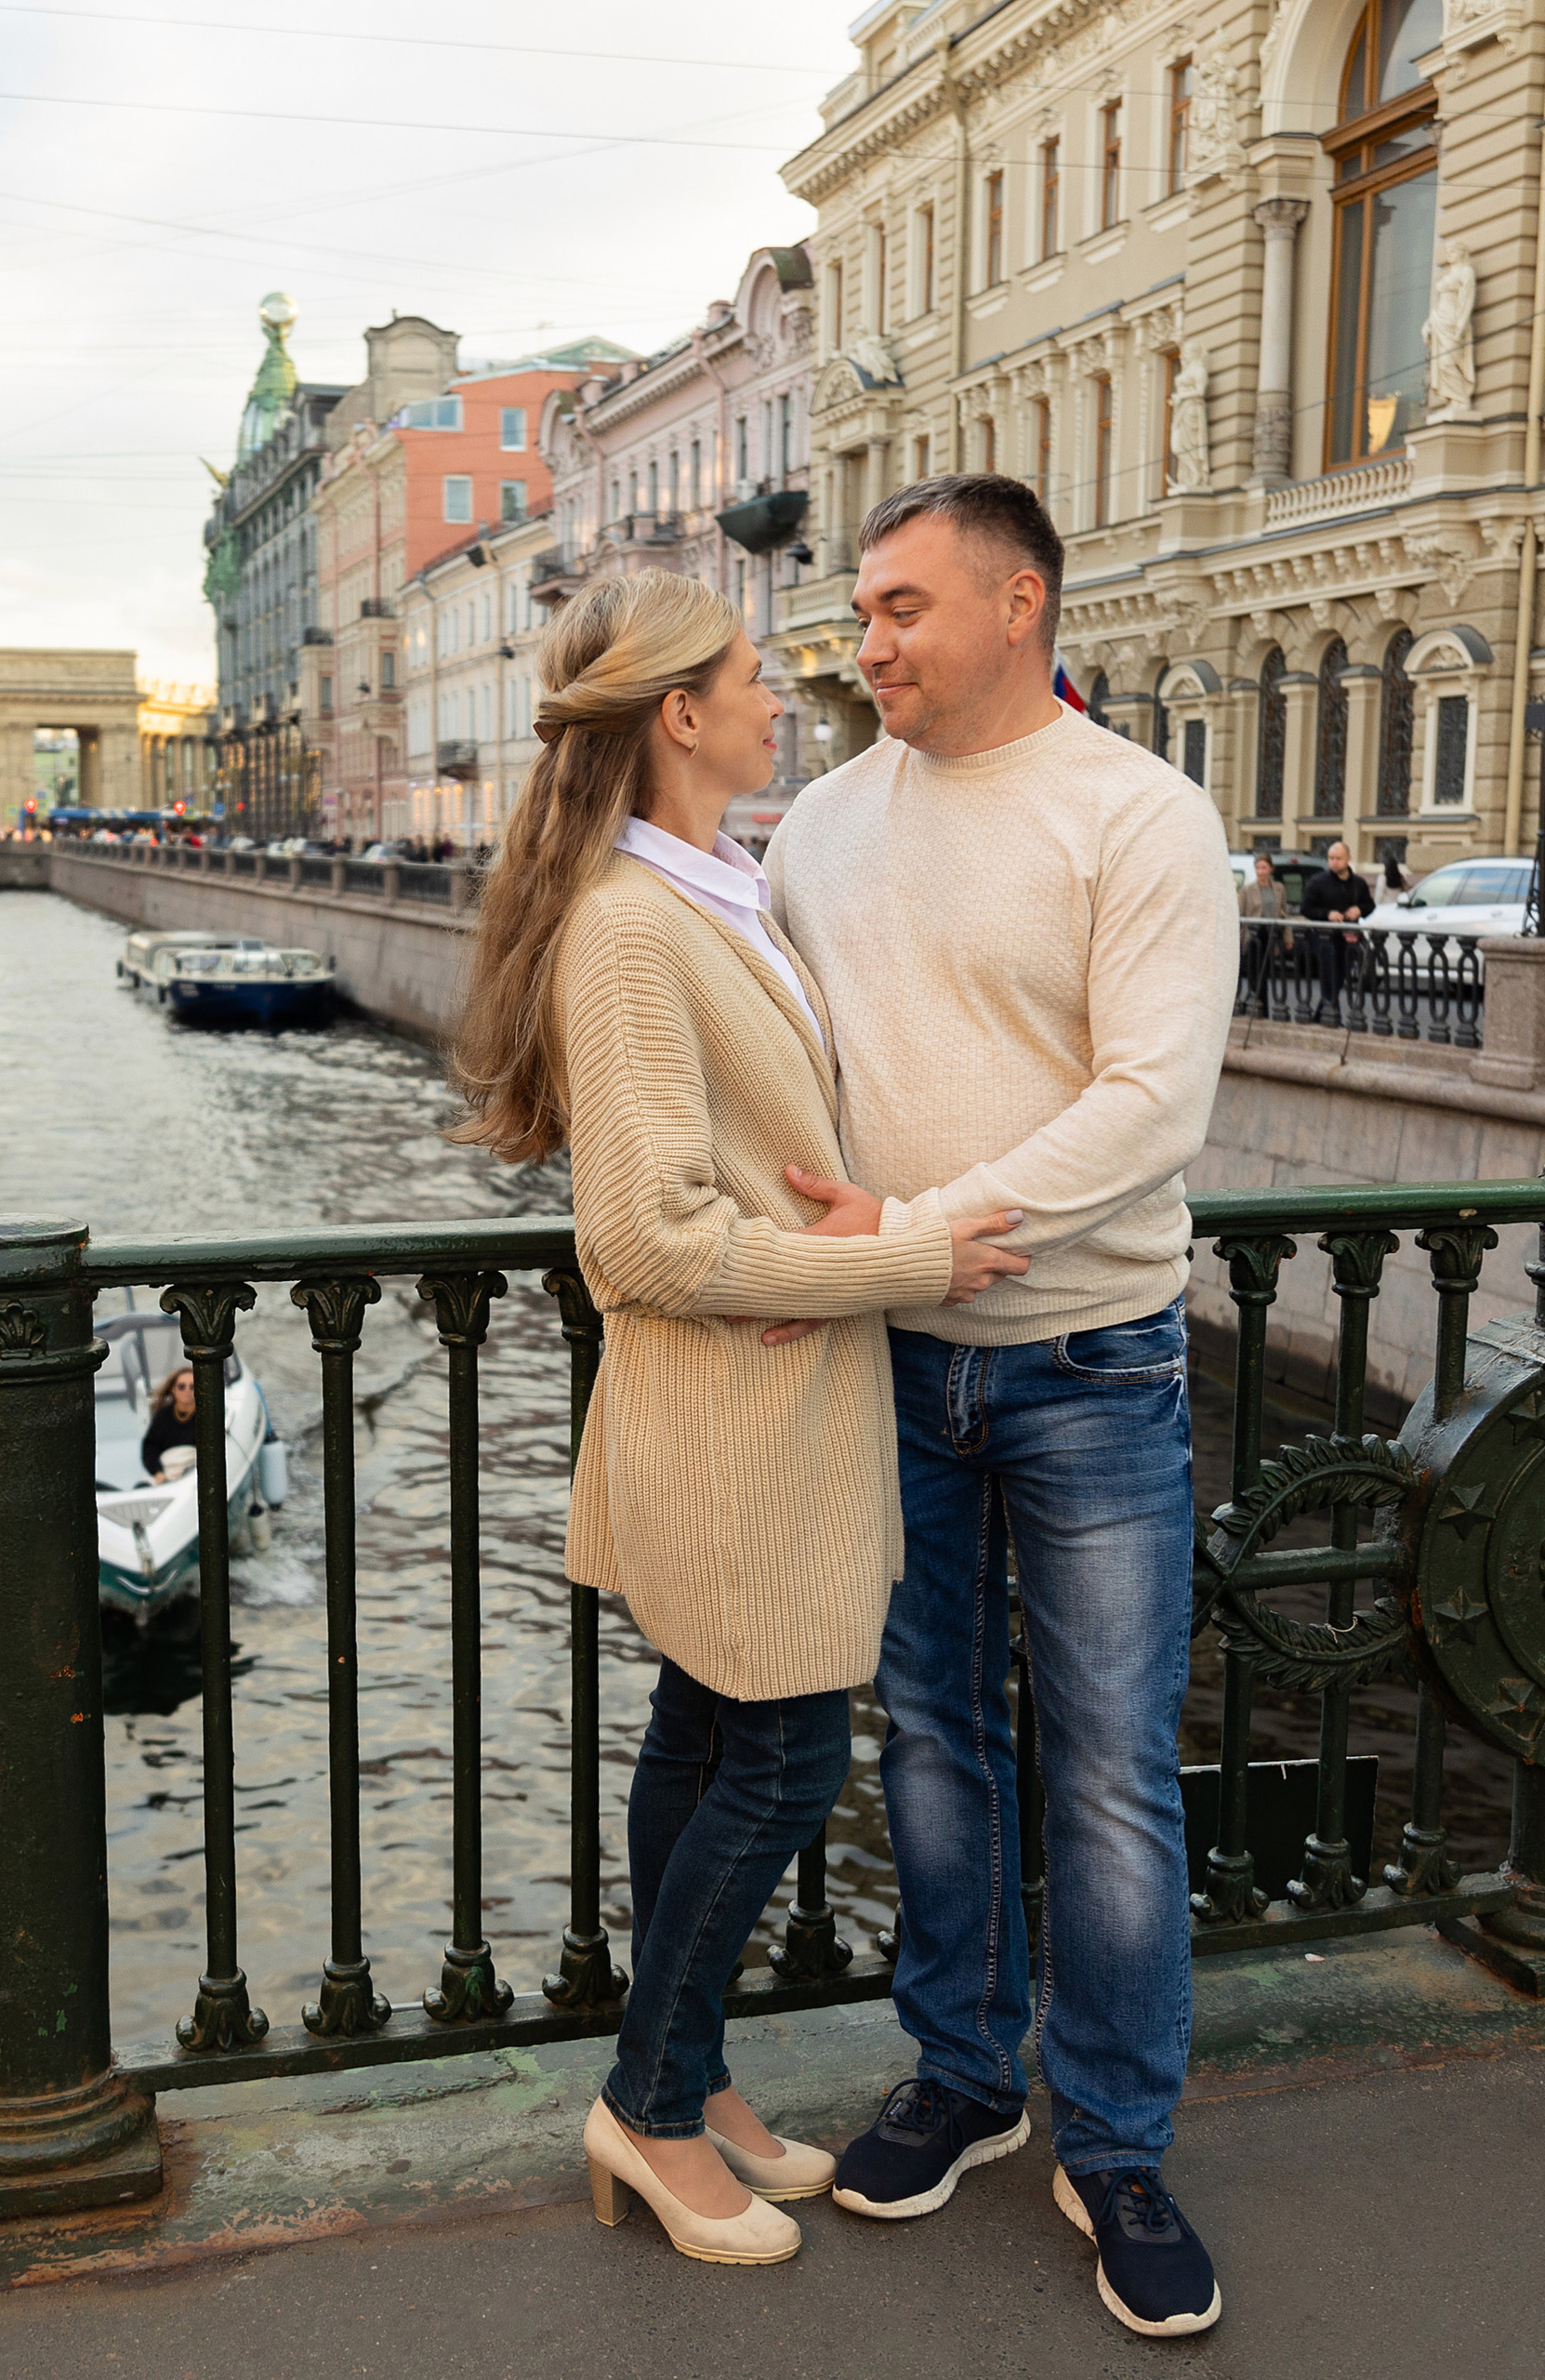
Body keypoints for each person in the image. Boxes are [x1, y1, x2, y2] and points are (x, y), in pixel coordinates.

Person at [449, 568, 1027, 2271]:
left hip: (764, 1399)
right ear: (679, 717)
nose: (788, 702)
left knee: (705, 1742)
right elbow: (641, 1233)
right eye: (757, 682)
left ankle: (689, 2087)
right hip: (734, 1417)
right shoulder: (631, 929)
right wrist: (907, 1253)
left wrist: (847, 1230)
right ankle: (641, 2101)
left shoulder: (706, 886)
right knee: (775, 1768)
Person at [766, 475, 1235, 2339]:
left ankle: (1111, 2141)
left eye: (898, 608)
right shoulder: (816, 822)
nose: (864, 639)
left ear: (1016, 601)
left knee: (1110, 1769)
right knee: (934, 1737)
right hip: (885, 1354)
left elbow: (1149, 1105)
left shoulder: (1137, 816)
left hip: (1088, 1355)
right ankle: (960, 2072)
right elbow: (778, 1056)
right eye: (860, 612)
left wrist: (927, 1224)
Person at [1299, 840, 1372, 1021]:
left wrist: (1359, 910)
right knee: (1329, 978)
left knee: (1339, 979)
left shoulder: (1358, 883)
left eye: (1338, 858)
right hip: (1325, 938)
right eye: (1331, 858)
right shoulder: (1318, 882)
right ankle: (1332, 1017)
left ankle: (1322, 1016)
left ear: (1349, 858)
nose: (1334, 862)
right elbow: (1306, 909)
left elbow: (1370, 905)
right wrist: (1328, 914)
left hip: (1348, 939)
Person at [1236, 851, 1287, 1009]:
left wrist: (1288, 937)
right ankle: (1254, 1004)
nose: (1261, 872)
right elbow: (1241, 914)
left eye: (1264, 868)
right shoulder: (1247, 889)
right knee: (1253, 971)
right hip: (1253, 936)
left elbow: (1284, 913)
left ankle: (1263, 1007)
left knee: (1266, 972)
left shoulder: (1279, 888)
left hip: (1271, 935)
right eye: (1258, 868)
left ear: (1271, 869)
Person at [140, 1365, 199, 1479]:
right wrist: (158, 1472)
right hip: (167, 1473)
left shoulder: (205, 1416)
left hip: (194, 1473)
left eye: (192, 1386)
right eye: (182, 1386)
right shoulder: (162, 1417)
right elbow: (150, 1448)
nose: (187, 1390)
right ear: (173, 1389)